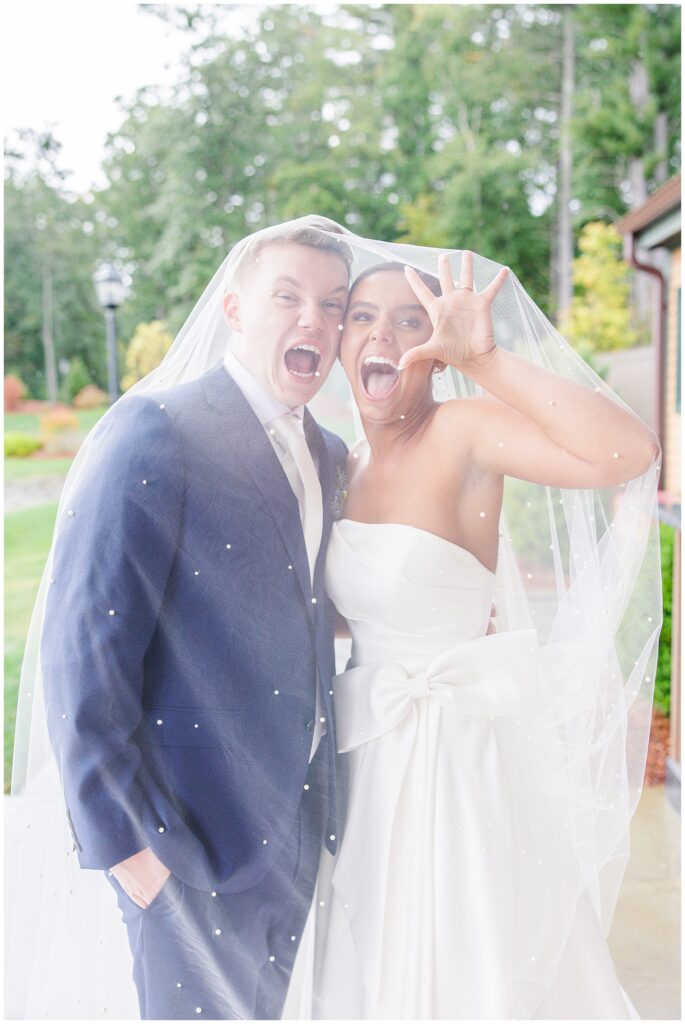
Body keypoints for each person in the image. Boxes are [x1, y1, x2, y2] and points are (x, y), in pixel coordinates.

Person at [284, 255, 661, 1019]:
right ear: (339, 340)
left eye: (408, 320)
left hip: (457, 761)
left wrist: (483, 360)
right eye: (362, 317)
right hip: (367, 757)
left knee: (472, 960)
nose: (381, 333)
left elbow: (629, 453)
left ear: (434, 346)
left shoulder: (461, 430)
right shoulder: (342, 465)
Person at [37, 221, 351, 1020]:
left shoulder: (328, 453)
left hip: (297, 831)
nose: (313, 319)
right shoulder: (157, 432)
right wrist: (130, 853)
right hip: (186, 842)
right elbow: (83, 654)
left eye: (333, 305)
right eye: (288, 297)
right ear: (236, 308)